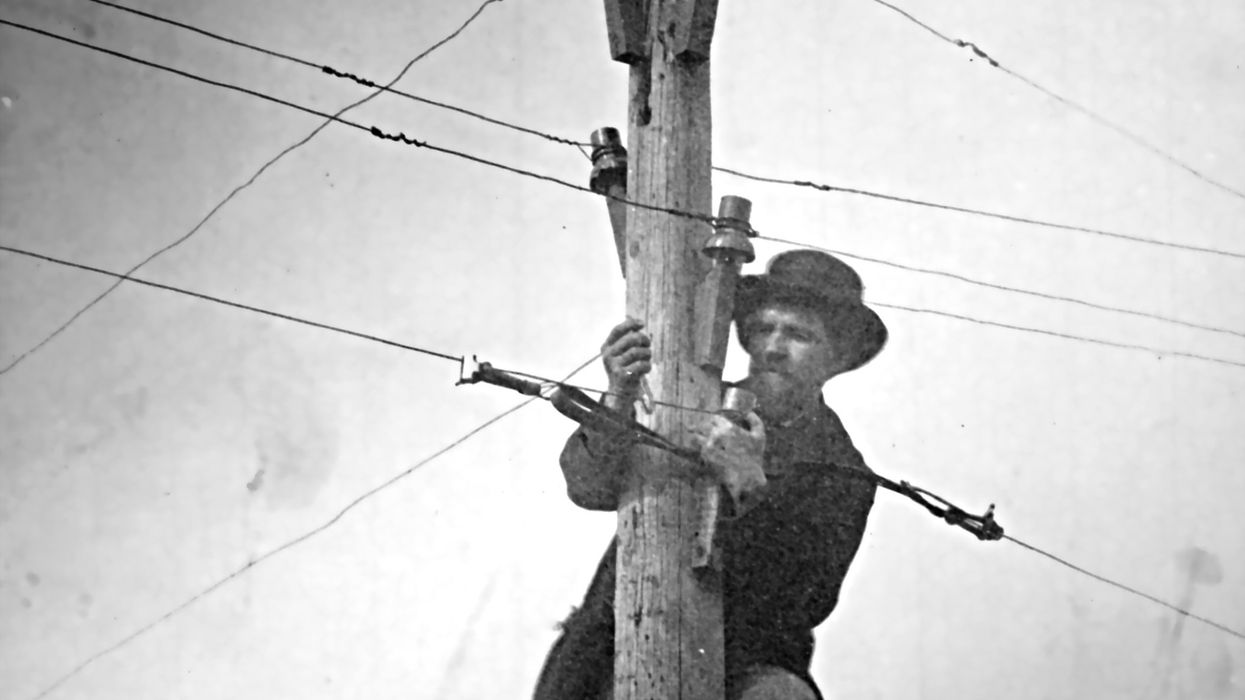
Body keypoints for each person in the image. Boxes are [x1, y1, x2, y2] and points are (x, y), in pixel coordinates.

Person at [533, 250, 888, 700]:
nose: (774, 348)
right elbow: (588, 487)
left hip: (746, 666)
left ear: (837, 358)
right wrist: (619, 396)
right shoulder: (685, 396)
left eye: (799, 335)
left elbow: (807, 600)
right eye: (764, 329)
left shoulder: (842, 471)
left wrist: (748, 483)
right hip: (619, 645)